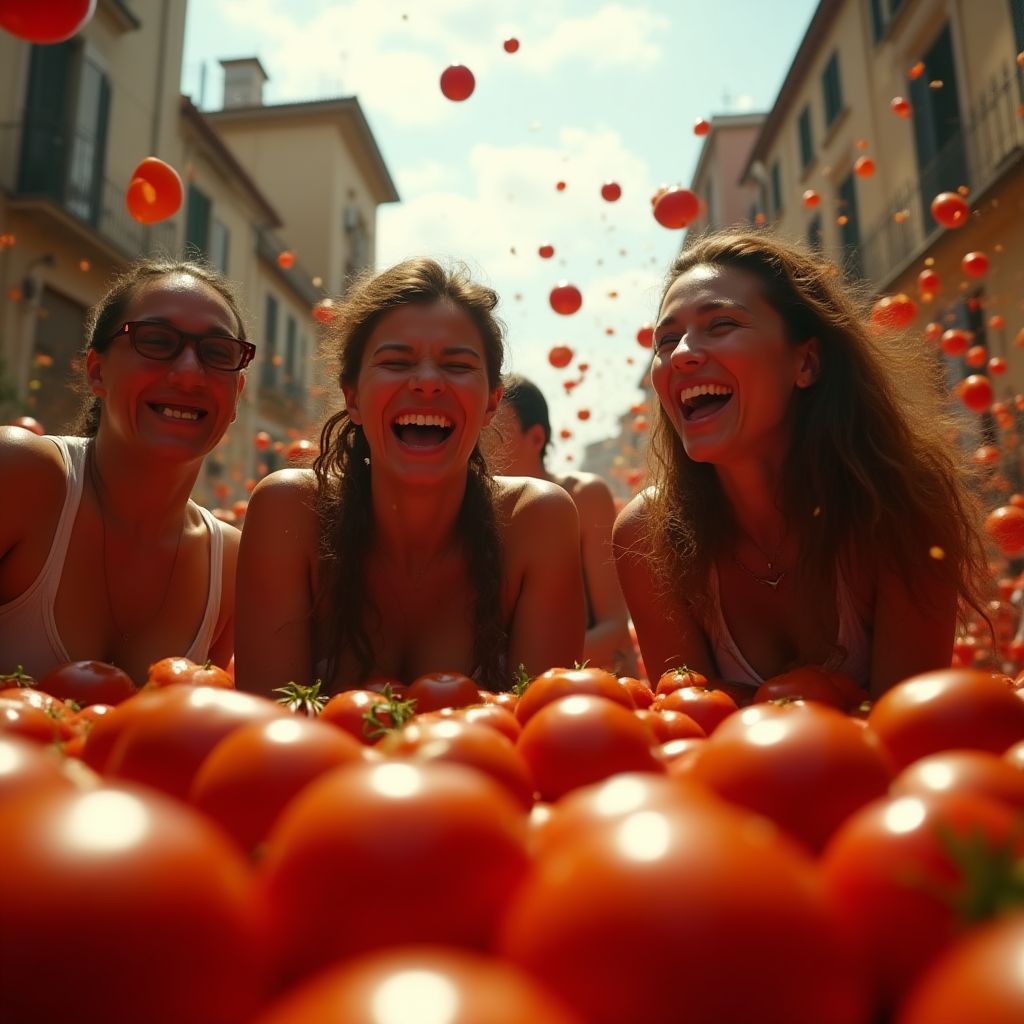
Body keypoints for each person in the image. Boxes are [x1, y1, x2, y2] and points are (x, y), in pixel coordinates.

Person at [613, 230, 989, 699]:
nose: (682, 354)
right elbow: (687, 731)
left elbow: (908, 728)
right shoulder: (645, 537)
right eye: (666, 340)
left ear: (806, 362)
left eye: (721, 324)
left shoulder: (902, 504)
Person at [235, 258, 585, 695]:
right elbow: (268, 736)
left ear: (492, 402)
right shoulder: (288, 511)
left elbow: (544, 735)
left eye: (457, 366)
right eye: (397, 362)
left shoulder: (537, 521)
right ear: (353, 397)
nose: (426, 382)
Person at [0, 257, 252, 682]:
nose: (190, 374)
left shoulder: (231, 564)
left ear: (236, 394)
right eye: (155, 341)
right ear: (97, 371)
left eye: (217, 352)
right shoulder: (22, 473)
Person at [484, 374, 639, 676]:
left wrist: (530, 677)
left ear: (537, 438)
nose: (484, 441)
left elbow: (614, 626)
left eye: (497, 431)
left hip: (597, 689)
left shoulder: (585, 495)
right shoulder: (476, 509)